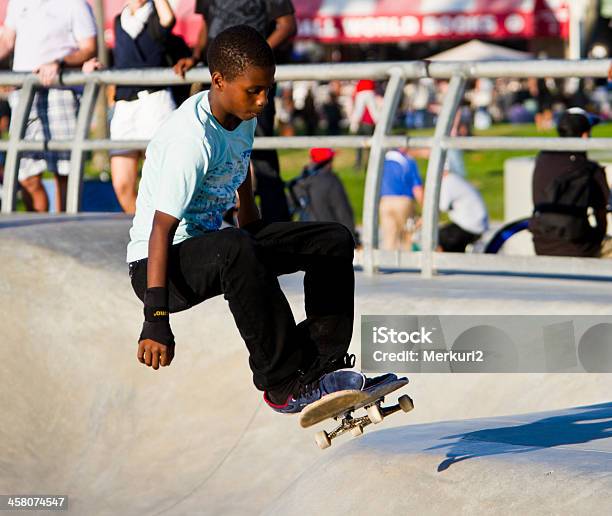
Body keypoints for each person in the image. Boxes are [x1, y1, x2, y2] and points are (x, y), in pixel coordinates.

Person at [128, 26, 394, 414]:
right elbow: (160, 230)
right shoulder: (190, 140)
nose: (263, 100)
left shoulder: (243, 115)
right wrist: (155, 318)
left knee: (332, 240)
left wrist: (258, 233)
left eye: (267, 88)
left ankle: (324, 365)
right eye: (253, 90)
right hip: (162, 267)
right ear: (218, 81)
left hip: (220, 246)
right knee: (235, 247)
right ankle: (283, 383)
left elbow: (242, 177)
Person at [173, 0, 297, 223]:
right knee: (212, 150)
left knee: (260, 155)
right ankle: (213, 217)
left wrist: (252, 65)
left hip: (250, 83)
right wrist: (196, 55)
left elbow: (287, 24)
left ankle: (274, 223)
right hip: (222, 81)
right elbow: (206, 26)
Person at [0, 0, 97, 212]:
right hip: (24, 92)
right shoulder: (17, 3)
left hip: (61, 91)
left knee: (64, 172)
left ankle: (64, 232)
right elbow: (7, 40)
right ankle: (39, 234)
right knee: (24, 173)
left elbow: (89, 47)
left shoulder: (75, 4)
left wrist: (59, 62)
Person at [84, 0, 179, 214]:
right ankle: (143, 229)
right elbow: (123, 59)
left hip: (155, 101)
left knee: (154, 183)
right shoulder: (119, 20)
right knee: (122, 185)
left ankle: (158, 235)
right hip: (124, 104)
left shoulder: (157, 16)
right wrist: (99, 66)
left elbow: (168, 19)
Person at [529, 107, 610, 258]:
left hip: (541, 243)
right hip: (579, 247)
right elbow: (601, 215)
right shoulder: (589, 169)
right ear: (585, 136)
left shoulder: (543, 158)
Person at [288, 148, 359, 245]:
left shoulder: (298, 182)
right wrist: (353, 239)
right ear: (328, 162)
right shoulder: (332, 181)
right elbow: (344, 213)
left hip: (306, 240)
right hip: (330, 241)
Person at [379, 148, 423, 250]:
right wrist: (424, 208)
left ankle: (387, 264)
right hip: (403, 201)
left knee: (389, 238)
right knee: (408, 236)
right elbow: (417, 188)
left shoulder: (381, 159)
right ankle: (408, 264)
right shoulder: (407, 160)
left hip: (384, 201)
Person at [438, 169, 489, 253]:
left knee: (436, 237)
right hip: (476, 224)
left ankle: (440, 264)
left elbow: (442, 207)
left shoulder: (448, 181)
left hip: (470, 227)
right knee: (446, 233)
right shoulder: (455, 179)